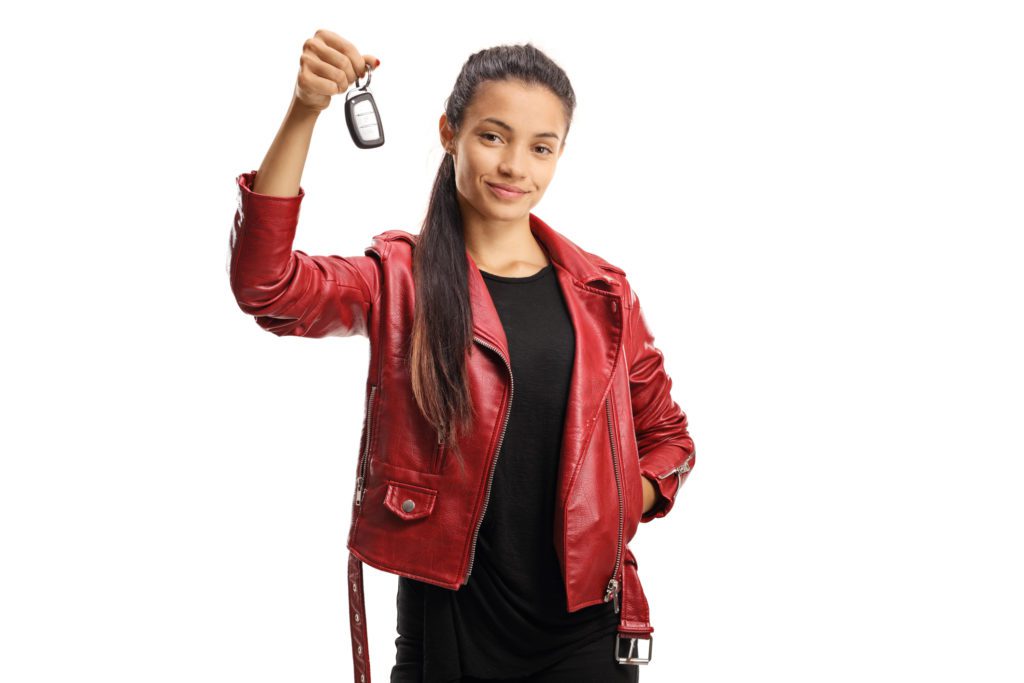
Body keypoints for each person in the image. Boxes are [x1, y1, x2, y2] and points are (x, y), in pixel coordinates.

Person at [228, 29, 695, 683]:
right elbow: (268, 288)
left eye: (541, 148)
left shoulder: (604, 296)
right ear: (450, 132)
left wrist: (623, 500)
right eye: (493, 136)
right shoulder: (401, 278)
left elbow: (668, 437)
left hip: (585, 630)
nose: (514, 167)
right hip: (448, 627)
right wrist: (306, 108)